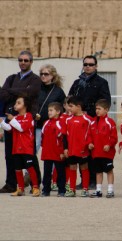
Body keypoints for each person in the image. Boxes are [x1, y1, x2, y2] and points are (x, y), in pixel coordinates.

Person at [0, 50, 42, 193]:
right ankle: (12, 183)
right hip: (11, 120)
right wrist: (20, 91)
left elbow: (30, 93)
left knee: (29, 154)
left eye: (26, 60)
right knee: (10, 154)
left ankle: (36, 183)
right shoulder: (11, 77)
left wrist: (11, 91)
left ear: (31, 62)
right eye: (20, 60)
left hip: (26, 121)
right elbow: (2, 94)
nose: (23, 63)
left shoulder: (35, 79)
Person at [68, 55, 111, 189]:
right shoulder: (77, 83)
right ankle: (84, 180)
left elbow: (105, 101)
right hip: (78, 121)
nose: (88, 66)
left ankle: (93, 180)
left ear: (96, 66)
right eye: (85, 64)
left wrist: (90, 112)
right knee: (81, 150)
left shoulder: (102, 82)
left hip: (93, 120)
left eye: (91, 64)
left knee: (92, 150)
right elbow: (70, 99)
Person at [0, 96, 40, 197]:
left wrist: (12, 119)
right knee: (17, 169)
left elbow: (21, 128)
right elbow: (9, 128)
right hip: (16, 147)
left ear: (25, 105)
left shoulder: (29, 116)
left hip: (27, 147)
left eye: (18, 103)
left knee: (30, 168)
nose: (15, 105)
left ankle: (35, 187)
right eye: (15, 103)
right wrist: (2, 122)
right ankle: (20, 189)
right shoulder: (16, 117)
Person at [36, 64, 66, 192]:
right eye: (41, 74)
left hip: (53, 127)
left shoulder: (58, 91)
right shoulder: (36, 88)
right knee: (32, 152)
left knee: (54, 155)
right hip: (36, 125)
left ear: (52, 76)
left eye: (46, 74)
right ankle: (32, 178)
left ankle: (56, 184)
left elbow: (64, 108)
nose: (43, 76)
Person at [63, 96, 92, 197]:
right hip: (71, 149)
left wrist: (89, 145)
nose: (69, 108)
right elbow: (65, 135)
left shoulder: (88, 119)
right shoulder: (68, 120)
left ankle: (85, 189)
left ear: (79, 106)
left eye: (71, 106)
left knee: (84, 167)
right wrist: (65, 148)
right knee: (72, 167)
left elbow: (91, 134)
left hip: (83, 149)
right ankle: (72, 189)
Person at [88, 99, 118, 198]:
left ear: (106, 110)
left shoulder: (110, 122)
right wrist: (90, 143)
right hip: (96, 153)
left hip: (107, 153)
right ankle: (98, 190)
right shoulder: (92, 122)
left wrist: (109, 145)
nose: (97, 111)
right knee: (98, 172)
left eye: (99, 109)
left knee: (109, 171)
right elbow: (89, 135)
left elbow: (114, 137)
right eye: (96, 109)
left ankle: (110, 190)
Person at [40, 102, 66, 197]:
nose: (49, 112)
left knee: (60, 172)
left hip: (57, 153)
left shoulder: (60, 123)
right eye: (48, 110)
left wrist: (62, 151)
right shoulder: (46, 123)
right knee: (47, 172)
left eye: (51, 110)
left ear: (58, 111)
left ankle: (61, 189)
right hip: (47, 153)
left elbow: (63, 138)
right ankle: (46, 190)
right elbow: (42, 137)